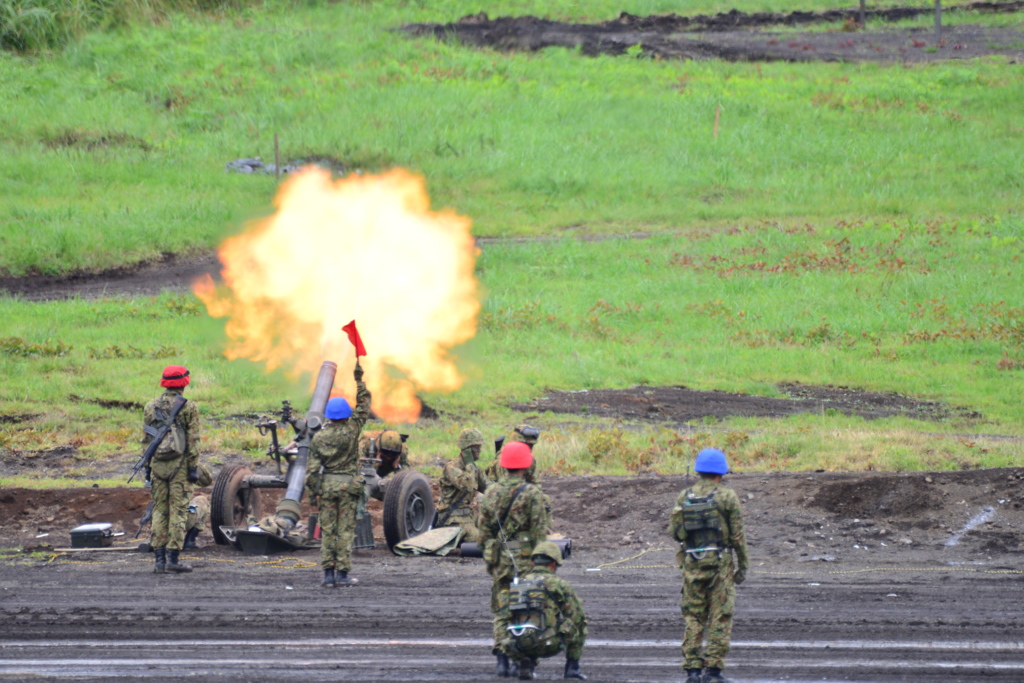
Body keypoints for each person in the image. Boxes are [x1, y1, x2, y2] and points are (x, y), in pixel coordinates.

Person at [669, 448, 749, 683]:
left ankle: (693, 671)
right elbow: (738, 537)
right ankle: (713, 671)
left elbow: (675, 532)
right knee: (720, 617)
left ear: (699, 470)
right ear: (721, 472)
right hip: (720, 566)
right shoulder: (727, 497)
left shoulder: (684, 496)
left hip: (692, 564)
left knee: (693, 617)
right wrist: (742, 566)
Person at [479, 441, 551, 678]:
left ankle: (501, 660)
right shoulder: (533, 494)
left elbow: (484, 534)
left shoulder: (490, 492)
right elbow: (540, 534)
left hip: (500, 559)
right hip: (526, 560)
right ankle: (526, 663)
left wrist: (492, 554)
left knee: (502, 609)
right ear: (526, 465)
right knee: (528, 609)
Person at [306, 360, 371, 588]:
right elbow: (363, 407)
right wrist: (359, 380)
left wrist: (314, 493)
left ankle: (328, 575)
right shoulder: (352, 431)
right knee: (345, 531)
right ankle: (343, 575)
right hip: (348, 487)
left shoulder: (319, 438)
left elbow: (312, 470)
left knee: (328, 531)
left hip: (327, 487)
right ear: (345, 415)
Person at [142, 365, 201, 574]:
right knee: (178, 512)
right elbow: (193, 441)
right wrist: (193, 467)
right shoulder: (189, 407)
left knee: (159, 510)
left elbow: (146, 440)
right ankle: (173, 559)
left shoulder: (150, 406)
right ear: (184, 382)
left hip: (157, 466)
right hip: (180, 468)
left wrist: (148, 467)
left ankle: (159, 561)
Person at [502, 541, 588, 680]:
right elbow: (576, 616)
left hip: (517, 645)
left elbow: (506, 616)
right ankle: (572, 668)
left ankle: (526, 663)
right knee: (581, 623)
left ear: (533, 563)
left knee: (521, 627)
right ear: (554, 564)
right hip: (548, 644)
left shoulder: (519, 583)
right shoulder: (559, 584)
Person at [436, 428, 492, 542]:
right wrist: (470, 464)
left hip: (469, 515)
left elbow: (489, 487)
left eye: (480, 447)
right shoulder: (451, 468)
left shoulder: (474, 469)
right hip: (453, 519)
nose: (479, 450)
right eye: (476, 447)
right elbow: (468, 485)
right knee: (482, 540)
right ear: (466, 450)